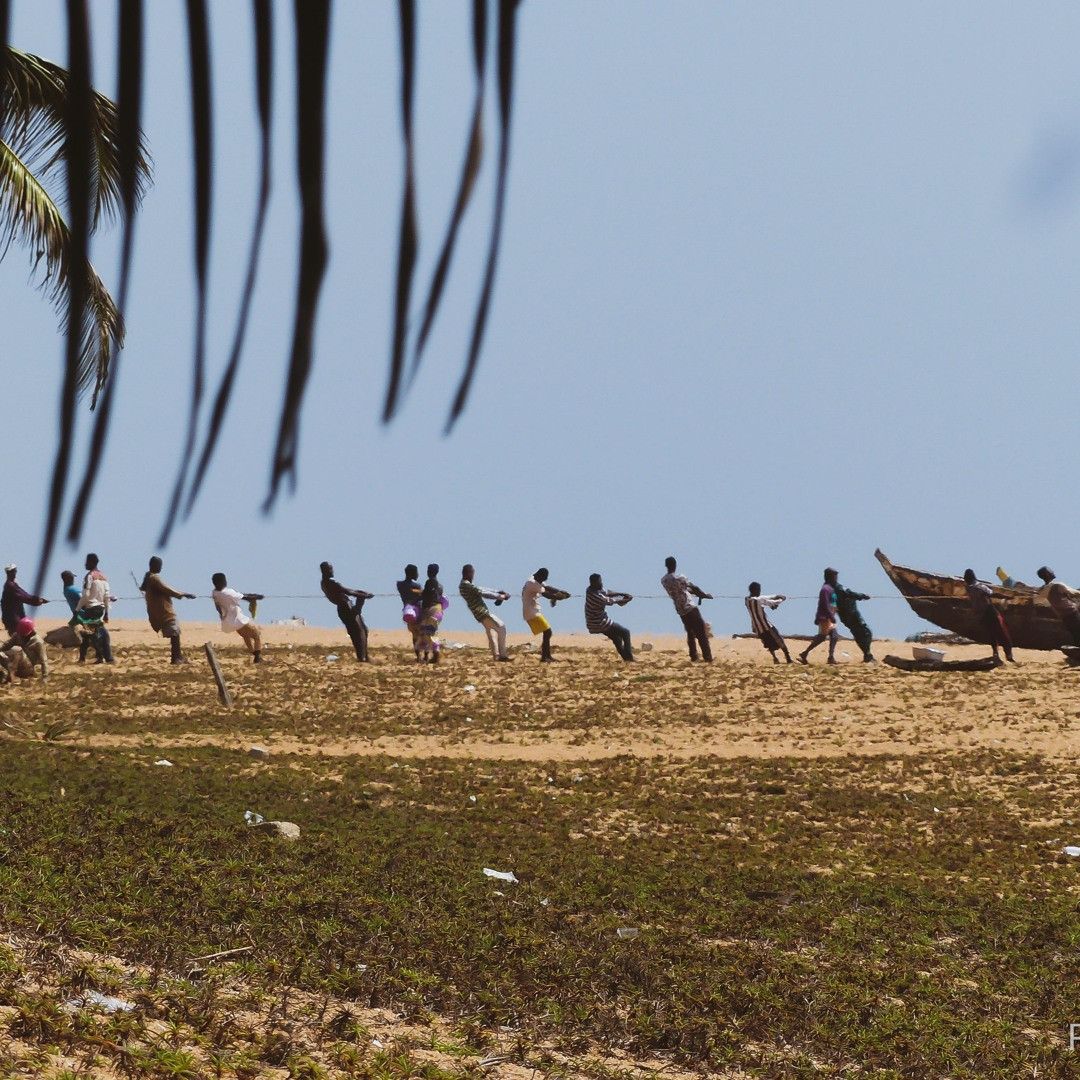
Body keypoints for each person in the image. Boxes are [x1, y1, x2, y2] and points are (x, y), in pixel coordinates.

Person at [141, 556, 197, 665]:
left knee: (174, 632)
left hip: (156, 611)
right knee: (174, 631)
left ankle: (177, 656)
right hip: (164, 610)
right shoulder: (154, 578)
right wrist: (183, 594)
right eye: (159, 565)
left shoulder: (148, 578)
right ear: (154, 566)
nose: (161, 568)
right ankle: (176, 658)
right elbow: (166, 589)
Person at [660, 556, 713, 662]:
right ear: (675, 565)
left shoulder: (664, 580)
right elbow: (693, 587)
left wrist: (695, 593)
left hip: (680, 610)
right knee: (701, 632)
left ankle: (694, 656)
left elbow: (682, 589)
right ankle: (708, 657)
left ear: (666, 565)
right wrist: (704, 595)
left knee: (690, 632)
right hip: (690, 607)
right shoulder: (680, 577)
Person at [320, 561, 374, 661]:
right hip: (346, 608)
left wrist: (361, 593)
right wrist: (365, 595)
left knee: (358, 631)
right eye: (330, 569)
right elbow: (349, 592)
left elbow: (349, 591)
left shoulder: (324, 583)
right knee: (360, 631)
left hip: (343, 609)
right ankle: (362, 657)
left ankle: (363, 656)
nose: (332, 571)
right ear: (324, 571)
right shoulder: (331, 583)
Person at [459, 564, 512, 661]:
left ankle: (496, 655)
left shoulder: (464, 585)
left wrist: (497, 592)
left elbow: (482, 589)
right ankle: (503, 655)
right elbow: (483, 593)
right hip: (482, 612)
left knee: (491, 631)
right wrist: (501, 597)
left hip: (478, 613)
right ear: (469, 573)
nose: (473, 575)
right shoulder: (466, 585)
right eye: (472, 573)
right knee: (501, 627)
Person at [211, 572, 265, 663]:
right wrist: (257, 597)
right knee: (257, 635)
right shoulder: (227, 592)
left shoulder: (214, 593)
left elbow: (240, 595)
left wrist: (252, 596)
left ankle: (254, 654)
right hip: (239, 620)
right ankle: (257, 657)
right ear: (223, 582)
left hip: (228, 622)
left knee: (246, 636)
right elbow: (245, 597)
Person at [963, 568, 1014, 664]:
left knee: (992, 634)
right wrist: (1007, 597)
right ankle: (1009, 656)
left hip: (980, 615)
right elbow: (992, 594)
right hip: (990, 612)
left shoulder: (968, 588)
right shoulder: (979, 586)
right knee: (1003, 633)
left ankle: (995, 654)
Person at [522, 567, 568, 662]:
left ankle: (546, 656)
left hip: (533, 611)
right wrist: (560, 597)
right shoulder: (533, 583)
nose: (544, 580)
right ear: (540, 576)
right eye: (544, 578)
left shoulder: (535, 579)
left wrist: (561, 591)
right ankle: (545, 657)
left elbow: (547, 587)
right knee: (548, 632)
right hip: (531, 612)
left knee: (547, 633)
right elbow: (546, 594)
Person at [584, 573, 634, 660]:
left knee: (617, 639)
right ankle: (629, 658)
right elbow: (610, 601)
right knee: (625, 632)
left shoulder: (590, 589)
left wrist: (623, 594)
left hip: (595, 622)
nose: (601, 583)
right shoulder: (595, 595)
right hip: (599, 623)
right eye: (599, 582)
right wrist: (626, 599)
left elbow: (607, 593)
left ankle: (627, 658)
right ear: (594, 583)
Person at [76, 553, 114, 663]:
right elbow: (106, 596)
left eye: (87, 562)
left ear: (92, 563)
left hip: (91, 609)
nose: (85, 564)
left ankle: (105, 657)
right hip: (100, 609)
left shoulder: (89, 576)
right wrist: (106, 612)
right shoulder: (103, 577)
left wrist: (77, 609)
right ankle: (83, 658)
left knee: (91, 634)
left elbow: (85, 595)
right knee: (89, 633)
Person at [832, 570, 875, 663]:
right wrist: (863, 596)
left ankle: (867, 655)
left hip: (845, 617)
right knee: (867, 632)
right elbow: (849, 593)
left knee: (858, 635)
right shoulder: (838, 588)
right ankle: (867, 654)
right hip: (852, 615)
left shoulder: (828, 588)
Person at [799, 568, 840, 665]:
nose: (836, 579)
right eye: (835, 576)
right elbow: (824, 604)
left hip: (829, 616)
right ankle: (805, 653)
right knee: (822, 637)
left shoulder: (830, 589)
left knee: (834, 636)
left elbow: (832, 603)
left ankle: (830, 657)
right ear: (829, 577)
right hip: (825, 617)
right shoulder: (825, 589)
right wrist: (830, 616)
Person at [745, 582, 792, 664]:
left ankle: (775, 658)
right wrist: (781, 599)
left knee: (767, 642)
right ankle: (788, 658)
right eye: (758, 590)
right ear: (756, 590)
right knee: (779, 639)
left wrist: (776, 596)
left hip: (757, 627)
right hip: (766, 625)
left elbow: (764, 598)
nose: (759, 592)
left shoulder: (746, 600)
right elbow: (772, 603)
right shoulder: (758, 600)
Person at [1035, 566, 1080, 648]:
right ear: (1047, 574)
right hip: (1073, 612)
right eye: (1051, 571)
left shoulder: (1043, 590)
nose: (1053, 572)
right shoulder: (1058, 585)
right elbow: (1074, 593)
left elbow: (1038, 600)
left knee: (1075, 634)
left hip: (1063, 616)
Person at [1, 564, 47, 636]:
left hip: (17, 618)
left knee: (30, 635)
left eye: (15, 571)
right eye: (13, 571)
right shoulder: (10, 585)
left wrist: (38, 599)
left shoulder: (12, 584)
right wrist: (37, 600)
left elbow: (25, 595)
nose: (14, 573)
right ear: (8, 573)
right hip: (13, 619)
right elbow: (25, 597)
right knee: (24, 637)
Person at [0, 617, 48, 682]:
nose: (21, 635)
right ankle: (6, 673)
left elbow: (43, 661)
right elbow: (7, 645)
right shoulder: (18, 635)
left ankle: (10, 675)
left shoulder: (38, 642)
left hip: (28, 668)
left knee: (18, 650)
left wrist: (45, 677)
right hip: (18, 664)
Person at [417, 563, 446, 664]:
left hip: (430, 610)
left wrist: (419, 593)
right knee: (433, 632)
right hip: (438, 610)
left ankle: (430, 655)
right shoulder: (440, 586)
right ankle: (435, 653)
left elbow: (425, 595)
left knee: (425, 632)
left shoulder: (429, 582)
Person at [397, 564, 424, 661]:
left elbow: (406, 590)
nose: (418, 574)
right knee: (422, 634)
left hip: (407, 611)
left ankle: (418, 656)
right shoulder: (416, 586)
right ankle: (424, 655)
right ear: (412, 574)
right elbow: (421, 595)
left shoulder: (400, 585)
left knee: (414, 635)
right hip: (418, 611)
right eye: (416, 573)